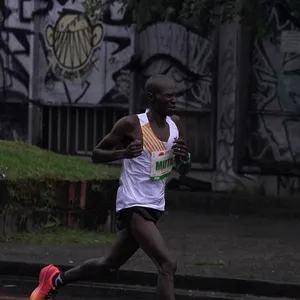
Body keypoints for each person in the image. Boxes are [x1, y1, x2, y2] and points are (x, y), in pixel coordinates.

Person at [30, 74, 191, 300]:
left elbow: (183, 169)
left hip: (155, 206)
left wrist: (185, 159)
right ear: (152, 98)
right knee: (167, 265)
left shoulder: (176, 124)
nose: (174, 100)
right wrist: (123, 154)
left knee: (109, 265)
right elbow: (96, 154)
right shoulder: (132, 124)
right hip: (133, 206)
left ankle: (55, 280)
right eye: (168, 96)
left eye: (176, 95)